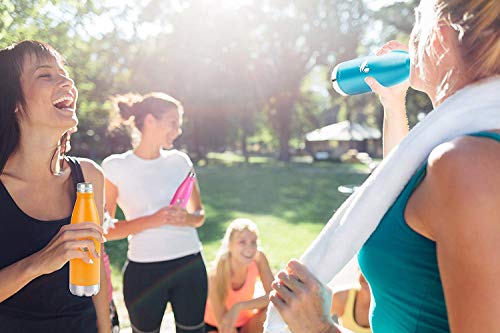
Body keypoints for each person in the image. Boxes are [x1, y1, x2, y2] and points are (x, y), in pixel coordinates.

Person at [270, 0, 500, 332]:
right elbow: (403, 194)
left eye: (416, 23)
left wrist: (321, 328)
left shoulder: (467, 166)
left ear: (436, 38)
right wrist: (394, 106)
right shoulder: (461, 150)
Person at [0, 40, 110, 332]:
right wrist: (41, 262)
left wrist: (107, 328)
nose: (67, 81)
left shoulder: (88, 176)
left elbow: (96, 261)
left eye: (64, 73)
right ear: (13, 101)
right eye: (45, 75)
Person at [102, 92, 207, 333]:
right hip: (144, 270)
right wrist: (153, 220)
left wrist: (186, 219)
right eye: (173, 122)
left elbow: (199, 214)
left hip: (190, 265)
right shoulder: (115, 167)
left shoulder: (181, 162)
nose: (178, 130)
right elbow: (105, 229)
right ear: (150, 120)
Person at [205, 218, 274, 333]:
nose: (250, 248)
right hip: (216, 326)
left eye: (253, 242)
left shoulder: (259, 258)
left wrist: (239, 306)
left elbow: (274, 295)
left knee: (275, 309)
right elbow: (223, 325)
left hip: (245, 323)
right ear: (230, 245)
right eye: (242, 242)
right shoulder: (216, 275)